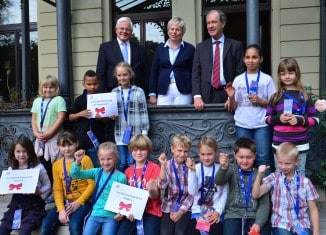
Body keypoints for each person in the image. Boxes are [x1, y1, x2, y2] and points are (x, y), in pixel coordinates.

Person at [225, 44, 276, 173]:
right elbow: (234, 106)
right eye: (247, 57)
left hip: (262, 124)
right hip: (242, 124)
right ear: (243, 59)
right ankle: (245, 190)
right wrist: (231, 97)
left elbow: (274, 104)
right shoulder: (238, 80)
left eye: (254, 57)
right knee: (244, 160)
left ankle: (264, 190)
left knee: (263, 158)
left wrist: (260, 101)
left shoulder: (267, 79)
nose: (251, 60)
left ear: (261, 59)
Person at [265, 58, 319, 176]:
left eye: (291, 73)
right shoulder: (275, 97)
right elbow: (267, 119)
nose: (287, 76)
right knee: (280, 173)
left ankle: (298, 195)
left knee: (299, 173)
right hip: (279, 144)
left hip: (300, 144)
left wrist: (299, 120)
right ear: (279, 76)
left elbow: (315, 120)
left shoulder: (304, 96)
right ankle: (281, 195)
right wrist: (278, 119)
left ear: (297, 74)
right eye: (283, 74)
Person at [252, 142, 320, 235]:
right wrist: (259, 176)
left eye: (287, 163)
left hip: (301, 223)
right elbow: (256, 194)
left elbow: (313, 209)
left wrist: (316, 232)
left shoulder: (305, 182)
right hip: (281, 223)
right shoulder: (274, 178)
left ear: (296, 162)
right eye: (280, 162)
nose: (283, 167)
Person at [41, 130, 95, 235]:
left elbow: (92, 184)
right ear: (58, 146)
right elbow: (57, 189)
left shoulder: (85, 159)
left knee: (74, 227)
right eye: (63, 145)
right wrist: (61, 209)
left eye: (70, 144)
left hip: (84, 202)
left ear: (76, 144)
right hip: (66, 202)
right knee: (46, 225)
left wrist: (78, 203)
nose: (67, 149)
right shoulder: (56, 165)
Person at [215, 137, 270, 235]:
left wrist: (259, 223)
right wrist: (223, 168)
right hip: (233, 214)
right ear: (235, 155)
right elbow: (219, 181)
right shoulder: (232, 170)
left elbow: (264, 204)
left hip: (254, 216)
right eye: (241, 157)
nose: (245, 161)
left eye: (249, 157)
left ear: (254, 156)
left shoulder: (260, 174)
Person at [70, 142, 127, 235]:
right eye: (102, 159)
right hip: (95, 214)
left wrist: (121, 213)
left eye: (109, 159)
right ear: (99, 159)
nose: (105, 162)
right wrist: (77, 161)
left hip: (111, 216)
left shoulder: (121, 177)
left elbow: (123, 198)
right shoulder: (97, 172)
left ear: (115, 158)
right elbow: (75, 174)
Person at [192, 9, 245, 110]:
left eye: (214, 22)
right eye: (208, 23)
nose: (210, 26)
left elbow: (240, 73)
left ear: (223, 23)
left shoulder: (235, 46)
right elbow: (196, 74)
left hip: (227, 95)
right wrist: (197, 96)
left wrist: (232, 97)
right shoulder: (200, 47)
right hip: (205, 96)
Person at [0, 135, 51, 235]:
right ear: (13, 152)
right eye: (18, 151)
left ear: (30, 152)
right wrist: (2, 191)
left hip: (33, 206)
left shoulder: (38, 167)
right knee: (2, 230)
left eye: (24, 151)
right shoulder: (11, 169)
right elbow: (5, 185)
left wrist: (40, 191)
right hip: (16, 205)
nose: (21, 154)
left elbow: (48, 185)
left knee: (24, 232)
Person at [117, 134, 161, 235]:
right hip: (131, 212)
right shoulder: (128, 171)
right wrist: (124, 212)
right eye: (135, 150)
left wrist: (151, 190)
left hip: (150, 211)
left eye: (142, 149)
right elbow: (125, 197)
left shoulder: (155, 168)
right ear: (131, 151)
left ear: (148, 150)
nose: (138, 153)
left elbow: (155, 197)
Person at [111, 62, 149, 172]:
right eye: (119, 75)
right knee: (122, 162)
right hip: (120, 133)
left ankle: (133, 185)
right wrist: (111, 116)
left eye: (125, 75)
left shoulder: (138, 91)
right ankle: (123, 186)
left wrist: (144, 133)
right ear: (116, 76)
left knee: (132, 161)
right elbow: (112, 112)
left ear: (130, 75)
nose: (122, 78)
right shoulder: (114, 92)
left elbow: (144, 112)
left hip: (136, 133)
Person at [186, 135, 228, 235]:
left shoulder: (220, 169)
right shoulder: (195, 168)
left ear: (216, 152)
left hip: (214, 212)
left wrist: (218, 211)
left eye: (209, 154)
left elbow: (225, 192)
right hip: (197, 212)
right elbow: (192, 192)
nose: (206, 157)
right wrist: (192, 171)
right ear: (198, 153)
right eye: (203, 154)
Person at [148, 16, 195, 105]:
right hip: (163, 89)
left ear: (183, 32)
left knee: (182, 117)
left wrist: (195, 94)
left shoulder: (190, 49)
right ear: (168, 31)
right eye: (172, 29)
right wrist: (152, 93)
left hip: (184, 90)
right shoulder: (160, 48)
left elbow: (194, 72)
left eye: (177, 29)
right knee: (163, 117)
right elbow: (154, 71)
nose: (174, 32)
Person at [96, 16, 147, 95]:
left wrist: (149, 93)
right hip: (112, 92)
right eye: (122, 28)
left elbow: (145, 73)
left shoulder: (139, 49)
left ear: (131, 32)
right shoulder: (105, 48)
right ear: (116, 30)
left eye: (127, 29)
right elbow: (100, 74)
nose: (124, 31)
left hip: (135, 93)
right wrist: (101, 94)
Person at [31, 74, 67, 185]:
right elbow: (34, 118)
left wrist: (50, 133)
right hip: (40, 138)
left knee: (56, 166)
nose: (48, 89)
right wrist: (36, 133)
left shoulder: (59, 100)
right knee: (43, 166)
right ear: (41, 88)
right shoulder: (37, 101)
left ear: (56, 88)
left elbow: (61, 118)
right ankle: (48, 190)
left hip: (54, 138)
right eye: (45, 87)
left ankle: (58, 191)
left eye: (51, 87)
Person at [158, 134, 194, 235]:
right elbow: (161, 186)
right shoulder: (167, 165)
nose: (182, 154)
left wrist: (181, 211)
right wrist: (163, 166)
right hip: (168, 206)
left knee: (180, 232)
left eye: (185, 151)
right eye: (179, 150)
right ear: (172, 149)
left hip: (185, 206)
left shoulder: (190, 166)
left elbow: (192, 193)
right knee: (165, 233)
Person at [69, 70, 107, 167]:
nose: (92, 87)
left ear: (99, 83)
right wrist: (79, 114)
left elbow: (107, 120)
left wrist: (101, 118)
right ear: (83, 84)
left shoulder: (102, 98)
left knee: (98, 164)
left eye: (95, 84)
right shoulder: (79, 100)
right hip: (83, 137)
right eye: (89, 84)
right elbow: (70, 117)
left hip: (98, 136)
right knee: (85, 164)